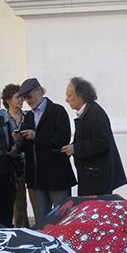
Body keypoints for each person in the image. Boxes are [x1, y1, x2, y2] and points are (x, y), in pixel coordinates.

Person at [12, 77, 76, 224]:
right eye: (25, 98)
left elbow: (62, 139)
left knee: (63, 220)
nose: (28, 100)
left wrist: (36, 136)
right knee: (42, 223)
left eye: (29, 96)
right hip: (36, 178)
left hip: (56, 176)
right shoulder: (29, 116)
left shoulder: (57, 111)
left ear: (39, 91)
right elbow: (27, 145)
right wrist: (18, 142)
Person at [61, 77, 127, 196]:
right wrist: (72, 146)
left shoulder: (95, 113)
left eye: (70, 96)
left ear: (80, 95)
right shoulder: (88, 112)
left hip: (97, 178)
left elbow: (102, 142)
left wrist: (76, 148)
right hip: (90, 175)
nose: (66, 99)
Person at [1, 83, 29, 227]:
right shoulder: (2, 118)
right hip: (13, 165)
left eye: (22, 97)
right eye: (17, 97)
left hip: (28, 162)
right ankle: (21, 230)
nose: (21, 100)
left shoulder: (28, 116)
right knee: (19, 204)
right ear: (8, 100)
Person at [0, 100, 16, 227]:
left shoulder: (4, 119)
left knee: (7, 216)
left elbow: (13, 139)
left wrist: (15, 146)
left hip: (7, 174)